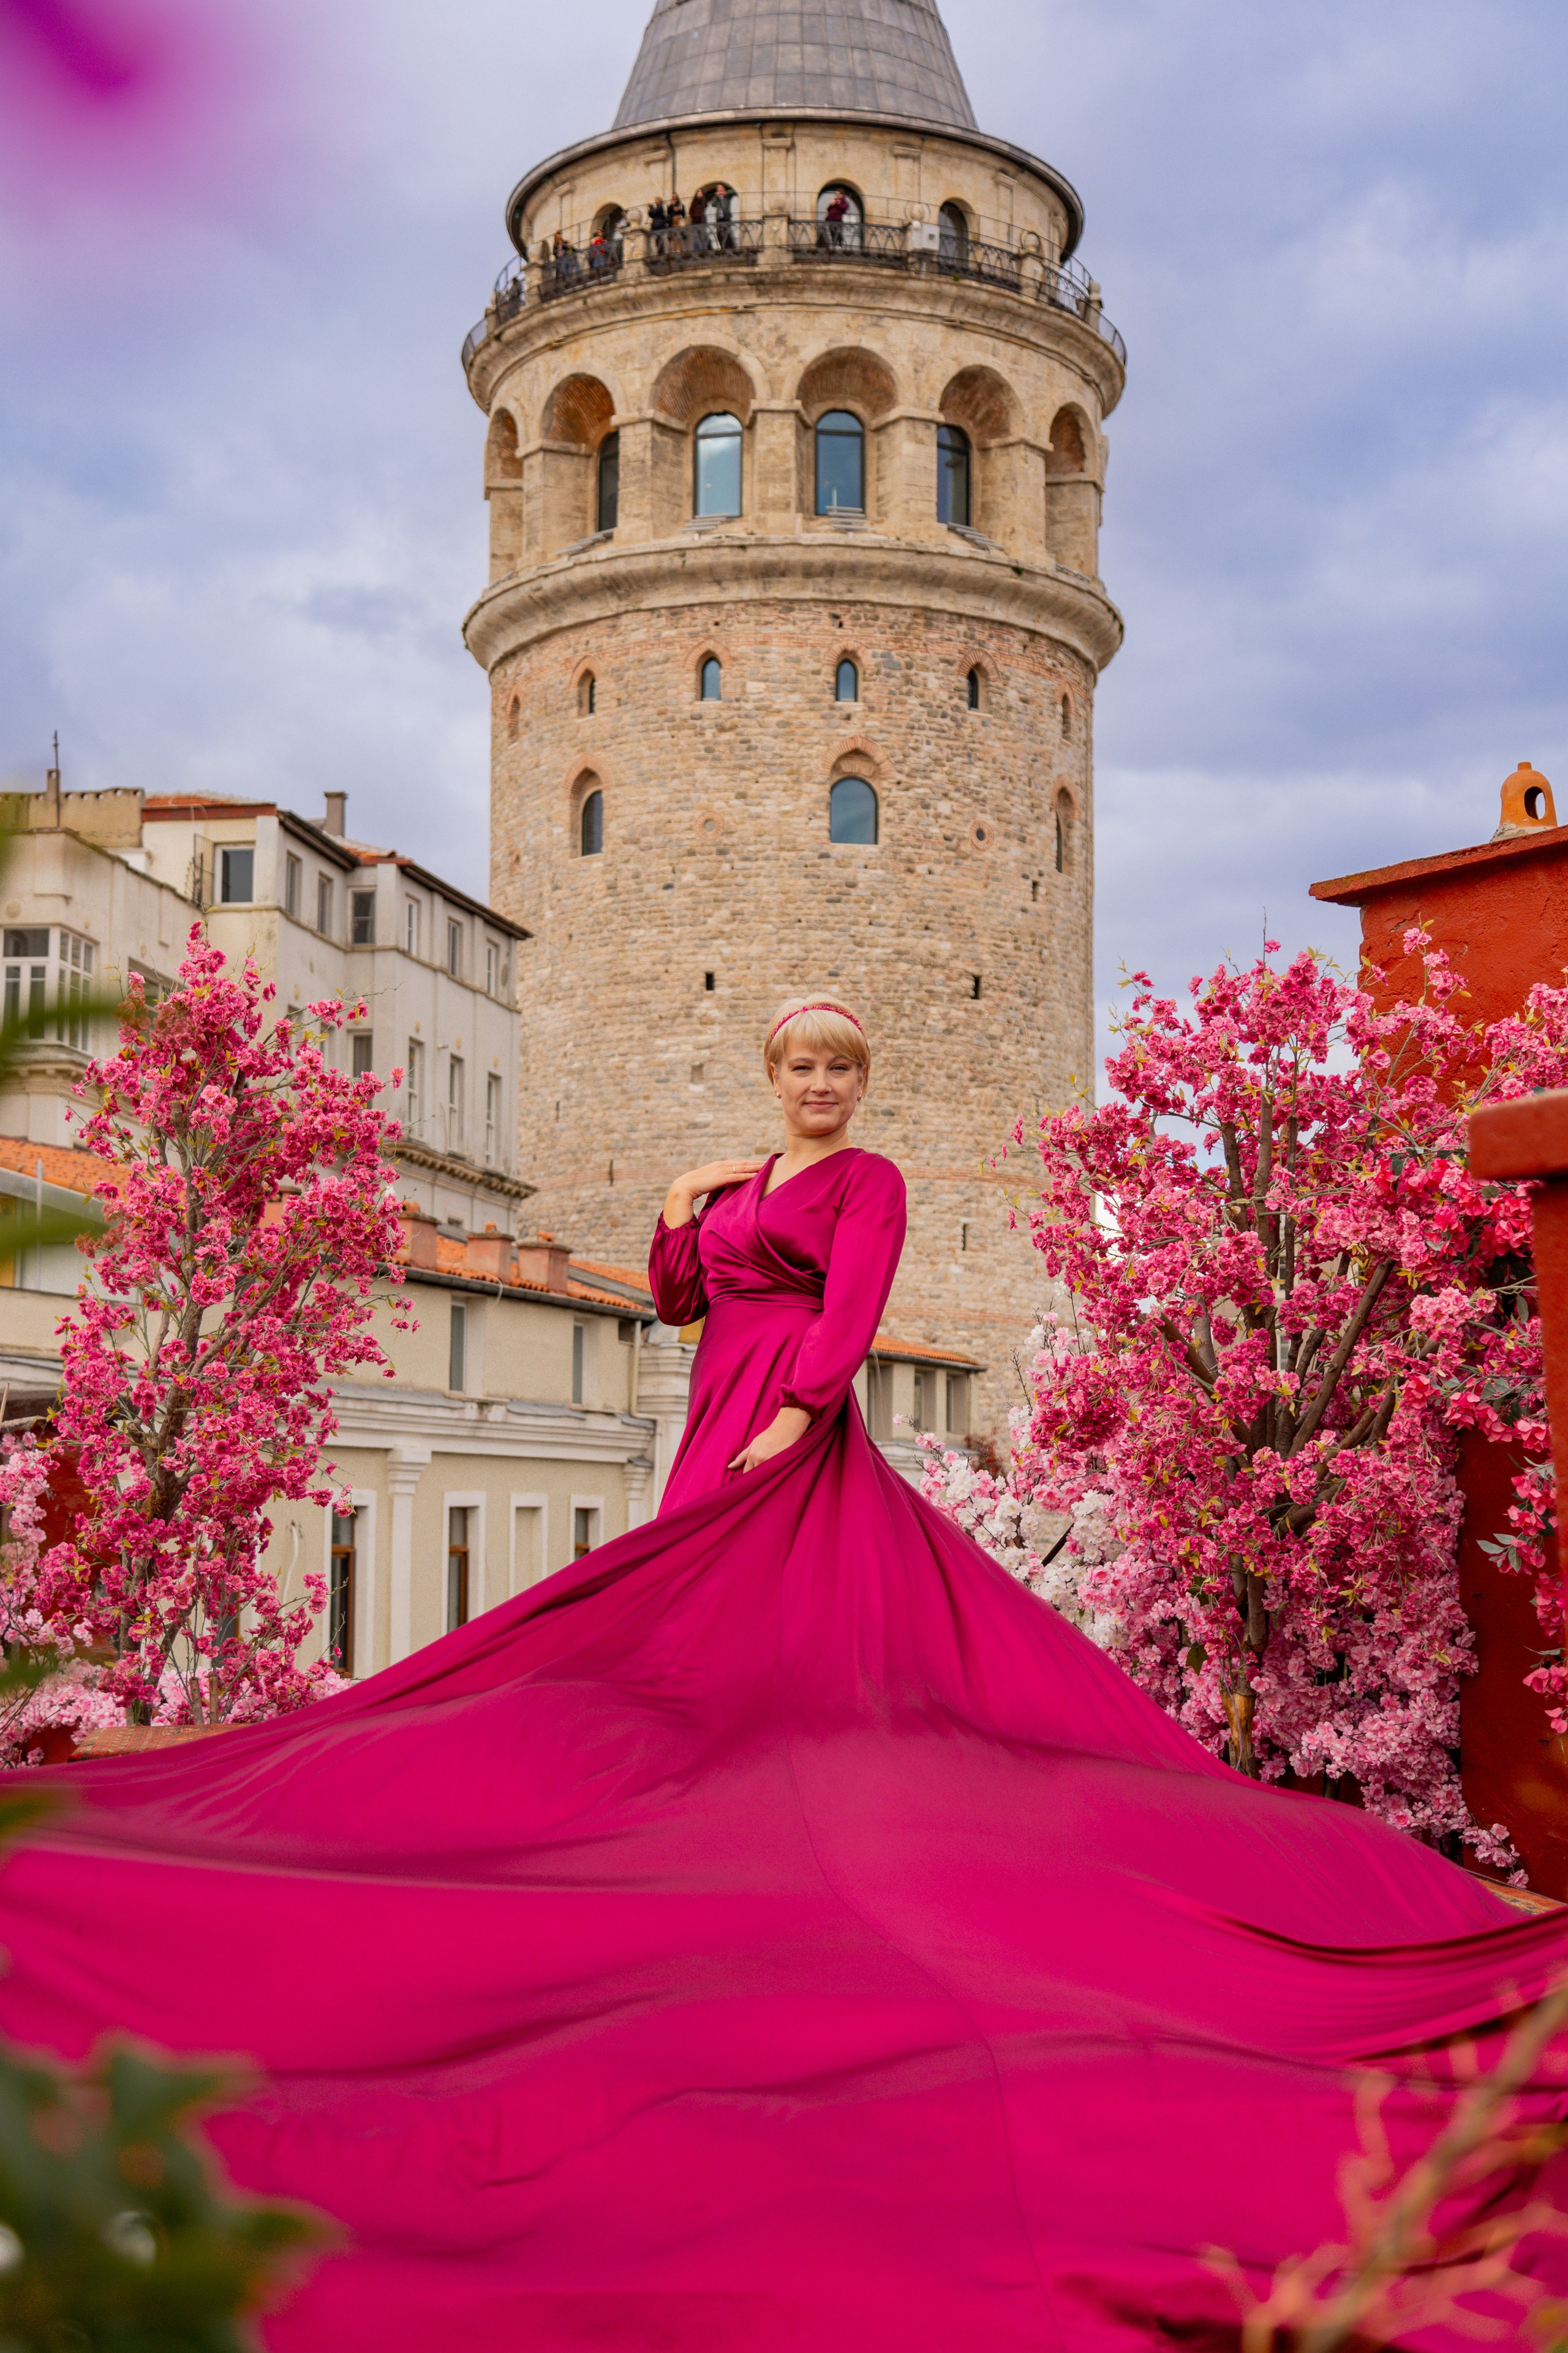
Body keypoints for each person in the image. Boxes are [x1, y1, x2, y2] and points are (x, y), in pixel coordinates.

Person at [0, 994, 1565, 2352]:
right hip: (712, 1413)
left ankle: (765, 1816)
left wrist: (800, 1413)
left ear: (857, 1083)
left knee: (780, 1635)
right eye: (800, 1066)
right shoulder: (749, 1177)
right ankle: (676, 1801)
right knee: (671, 1636)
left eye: (837, 1067)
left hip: (783, 1427)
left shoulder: (867, 1180)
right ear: (774, 1074)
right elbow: (678, 1302)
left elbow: (859, 1304)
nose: (819, 1086)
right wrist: (683, 1208)